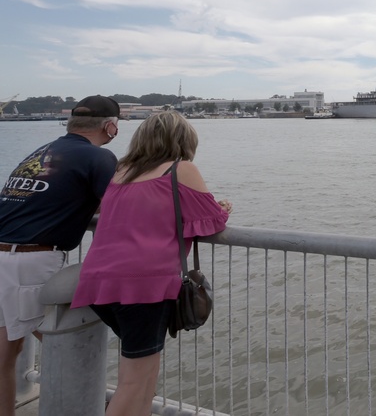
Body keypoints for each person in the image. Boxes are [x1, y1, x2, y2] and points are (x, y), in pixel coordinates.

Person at [70, 111, 232, 416]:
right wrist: (224, 207)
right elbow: (211, 221)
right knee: (134, 382)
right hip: (144, 287)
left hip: (99, 283)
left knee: (146, 374)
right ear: (184, 140)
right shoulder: (180, 169)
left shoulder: (122, 170)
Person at [0, 95, 120, 416]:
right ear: (110, 127)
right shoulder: (99, 157)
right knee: (68, 336)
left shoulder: (42, 151)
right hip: (32, 260)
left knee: (5, 355)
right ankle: (93, 399)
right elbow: (124, 205)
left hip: (4, 254)